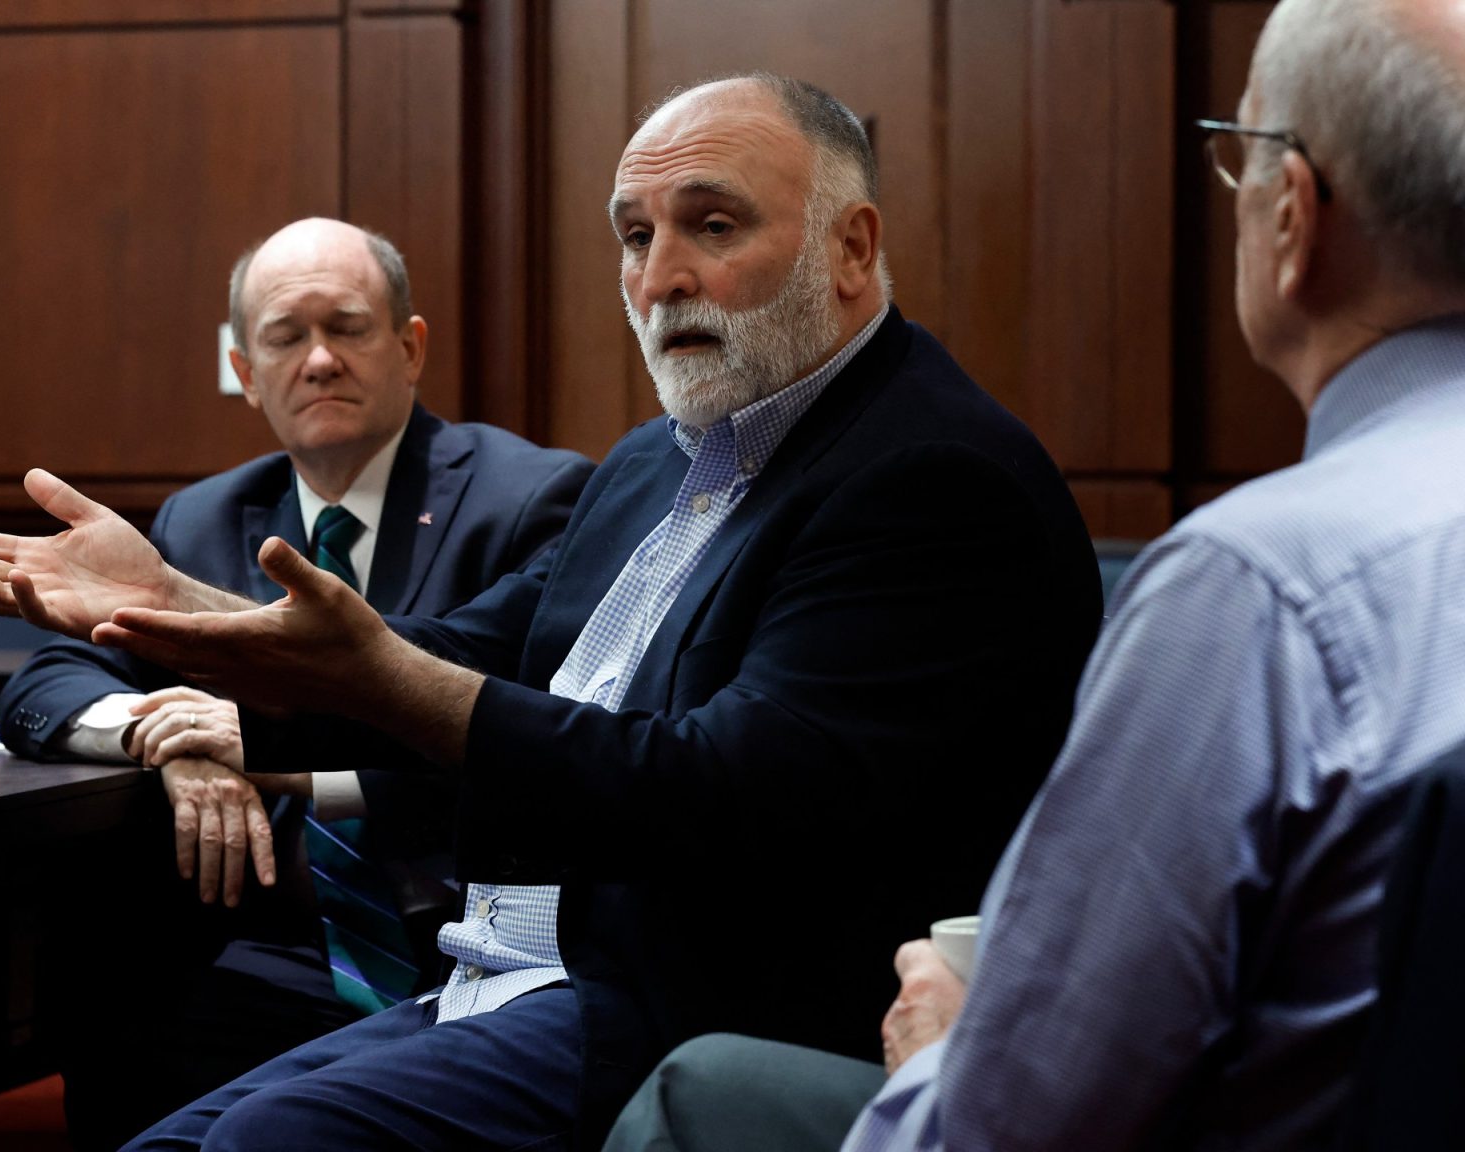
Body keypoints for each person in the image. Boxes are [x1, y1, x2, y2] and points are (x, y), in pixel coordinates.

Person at [0, 75, 1101, 1151]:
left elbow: (720, 791)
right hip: (501, 974)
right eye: (634, 237)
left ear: (852, 247)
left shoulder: (933, 476)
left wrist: (370, 675)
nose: (662, 278)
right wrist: (176, 605)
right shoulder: (654, 462)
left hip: (693, 1011)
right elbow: (467, 648)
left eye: (712, 225)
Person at [598, 1, 1465, 1149]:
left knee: (698, 1097)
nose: (663, 275)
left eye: (1237, 154)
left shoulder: (1255, 591)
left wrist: (940, 1051)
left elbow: (1017, 1115)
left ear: (1291, 214)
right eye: (635, 236)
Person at [0, 216, 593, 1150]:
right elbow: (51, 679)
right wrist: (166, 737)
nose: (318, 360)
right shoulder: (204, 517)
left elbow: (548, 729)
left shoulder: (532, 499)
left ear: (410, 346)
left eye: (347, 328)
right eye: (285, 337)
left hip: (457, 945)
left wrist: (280, 757)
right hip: (253, 949)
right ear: (246, 368)